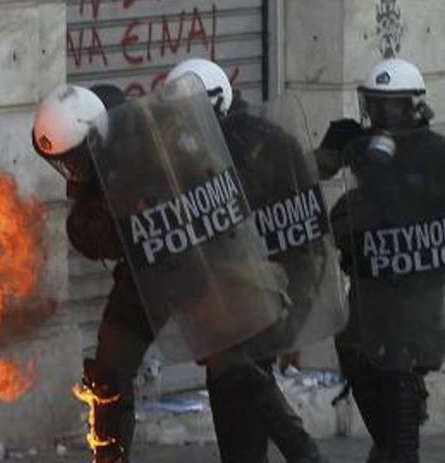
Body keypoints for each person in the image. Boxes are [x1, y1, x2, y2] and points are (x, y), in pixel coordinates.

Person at [31, 65, 323, 462]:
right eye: (67, 163)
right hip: (142, 271)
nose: (72, 172)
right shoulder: (90, 142)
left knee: (233, 366)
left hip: (193, 264)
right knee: (108, 373)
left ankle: (304, 454)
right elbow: (94, 235)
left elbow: (214, 190)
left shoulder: (157, 137)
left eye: (76, 161)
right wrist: (96, 222)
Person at [323, 58, 445, 463]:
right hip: (372, 284)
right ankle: (389, 438)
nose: (381, 113)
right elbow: (310, 173)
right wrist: (331, 151)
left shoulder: (435, 154)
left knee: (404, 369)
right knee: (352, 349)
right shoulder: (359, 148)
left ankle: (400, 432)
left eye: (391, 105)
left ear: (413, 106)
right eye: (374, 104)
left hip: (419, 289)